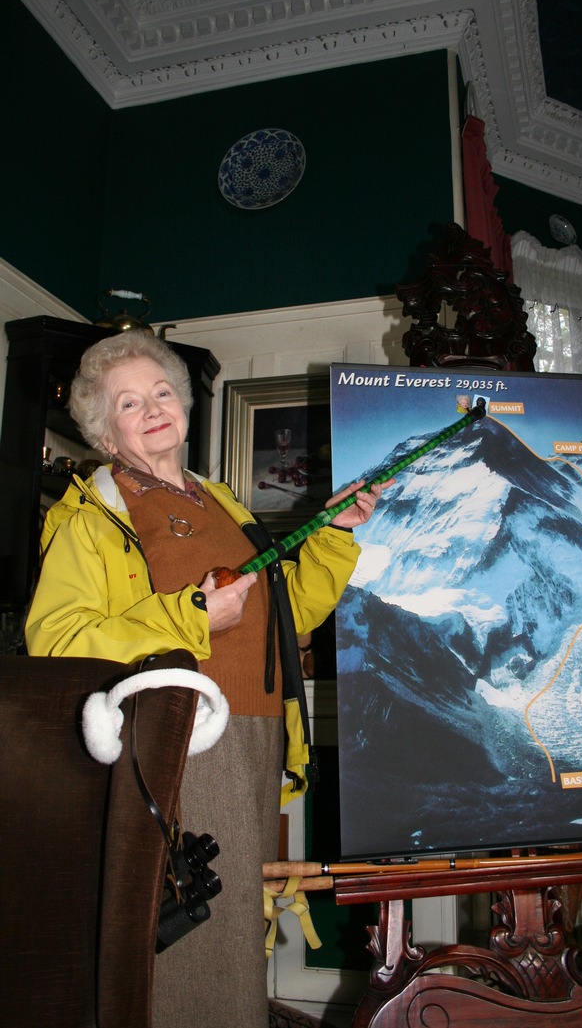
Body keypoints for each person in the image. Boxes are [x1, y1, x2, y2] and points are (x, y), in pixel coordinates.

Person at [24, 330, 389, 1028]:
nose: (154, 407)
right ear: (105, 429)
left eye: (162, 391)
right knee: (197, 936)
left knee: (230, 927)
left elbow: (291, 611)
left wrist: (336, 531)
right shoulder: (90, 518)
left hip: (256, 737)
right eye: (129, 402)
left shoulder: (221, 501)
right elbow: (58, 640)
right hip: (179, 740)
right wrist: (192, 613)